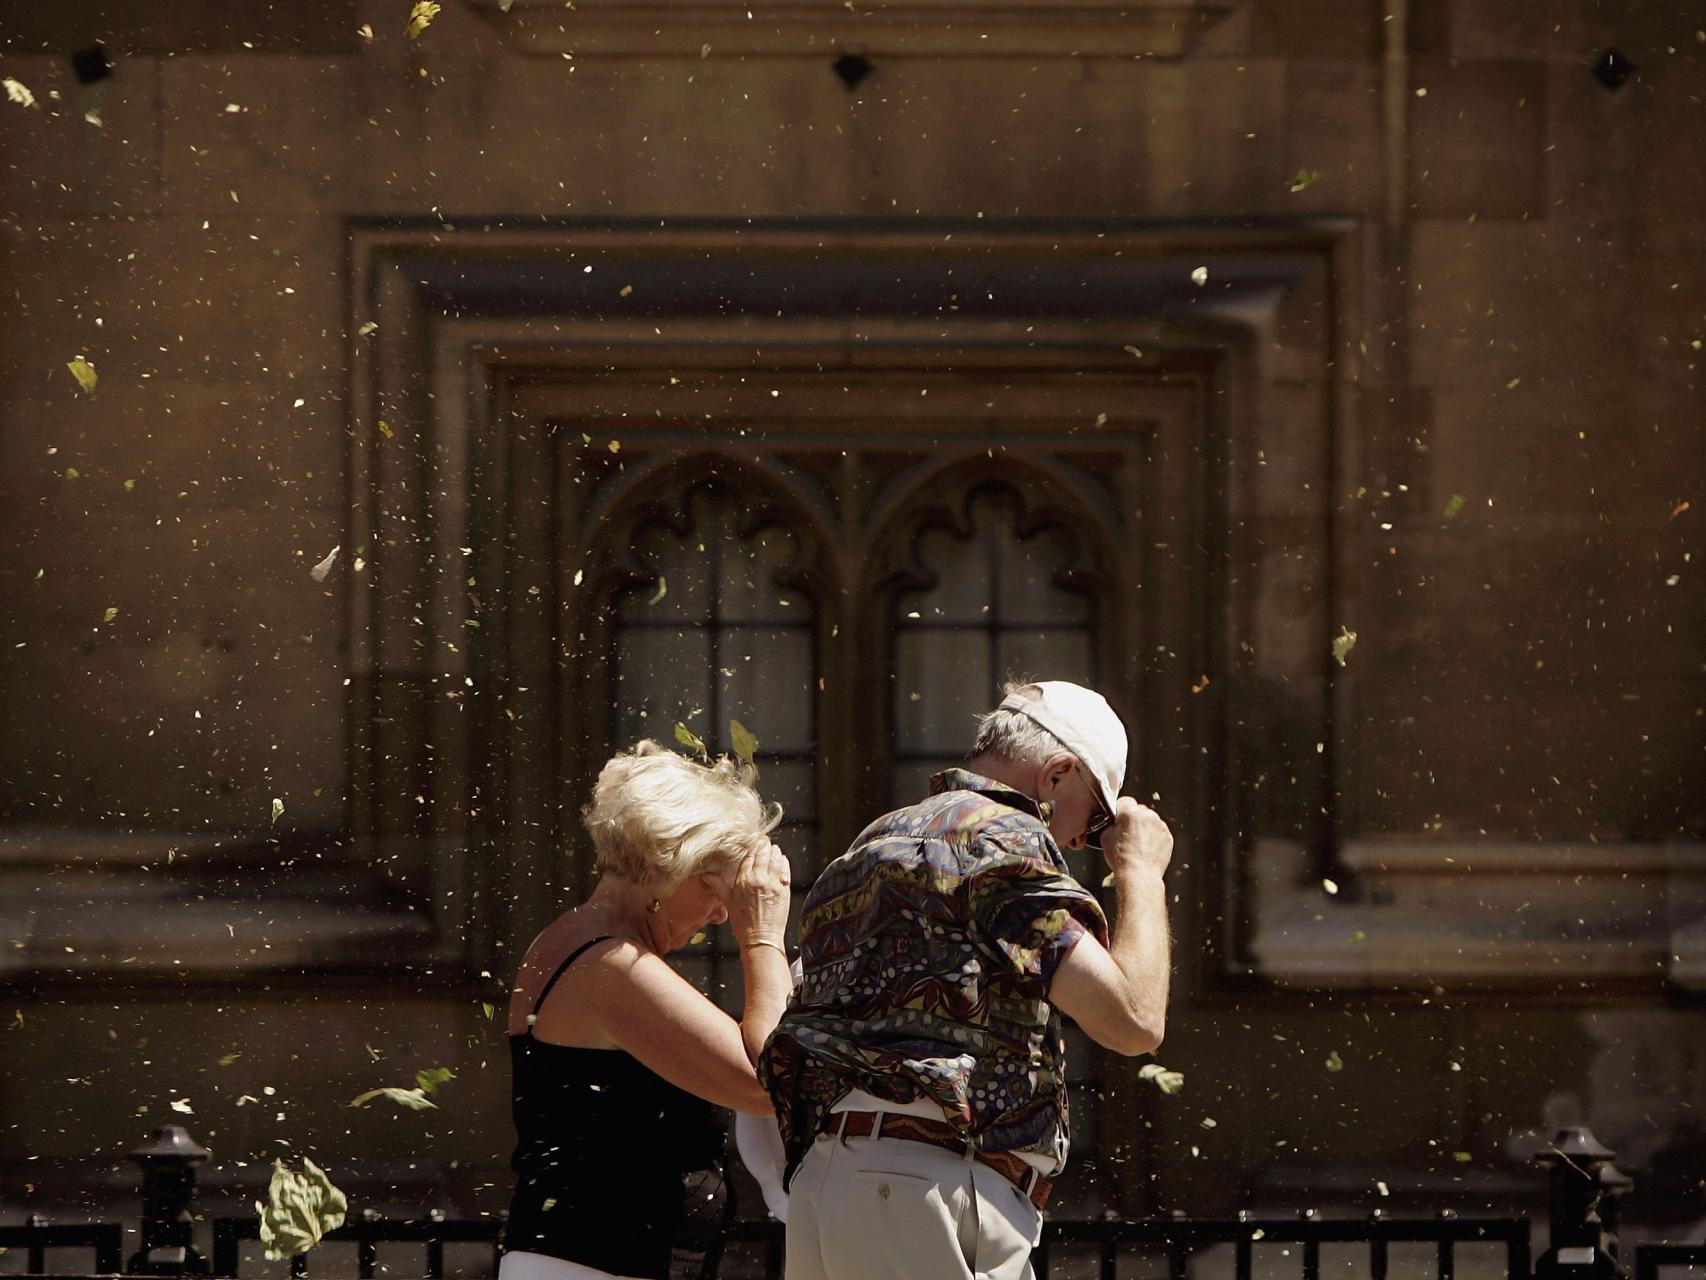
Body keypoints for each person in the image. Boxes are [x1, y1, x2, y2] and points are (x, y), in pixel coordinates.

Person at [759, 680, 1172, 1280]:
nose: (1088, 840)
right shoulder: (1007, 838)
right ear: (1056, 774)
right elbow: (1134, 1021)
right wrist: (1141, 870)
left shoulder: (873, 841)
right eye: (1099, 814)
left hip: (832, 1183)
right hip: (925, 1188)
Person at [500, 741, 794, 1280]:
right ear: (670, 869)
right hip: (590, 1265)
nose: (721, 912)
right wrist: (762, 937)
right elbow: (772, 1082)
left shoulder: (588, 945)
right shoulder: (609, 965)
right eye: (718, 887)